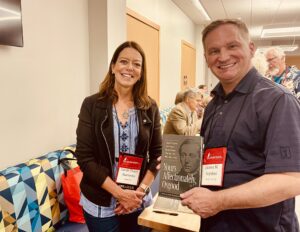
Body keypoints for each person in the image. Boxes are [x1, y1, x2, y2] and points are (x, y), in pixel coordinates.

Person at [180, 19, 300, 232]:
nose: (223, 56)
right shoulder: (213, 104)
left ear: (251, 48)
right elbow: (219, 160)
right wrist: (179, 163)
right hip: (213, 224)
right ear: (206, 58)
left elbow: (291, 180)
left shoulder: (277, 100)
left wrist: (219, 201)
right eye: (214, 50)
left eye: (232, 46)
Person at [75, 41, 162, 232]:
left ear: (141, 72)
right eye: (124, 61)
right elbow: (84, 157)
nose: (130, 68)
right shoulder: (92, 105)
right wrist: (120, 194)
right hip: (100, 202)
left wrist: (137, 194)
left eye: (137, 64)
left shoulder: (150, 107)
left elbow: (157, 154)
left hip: (137, 200)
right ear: (113, 66)